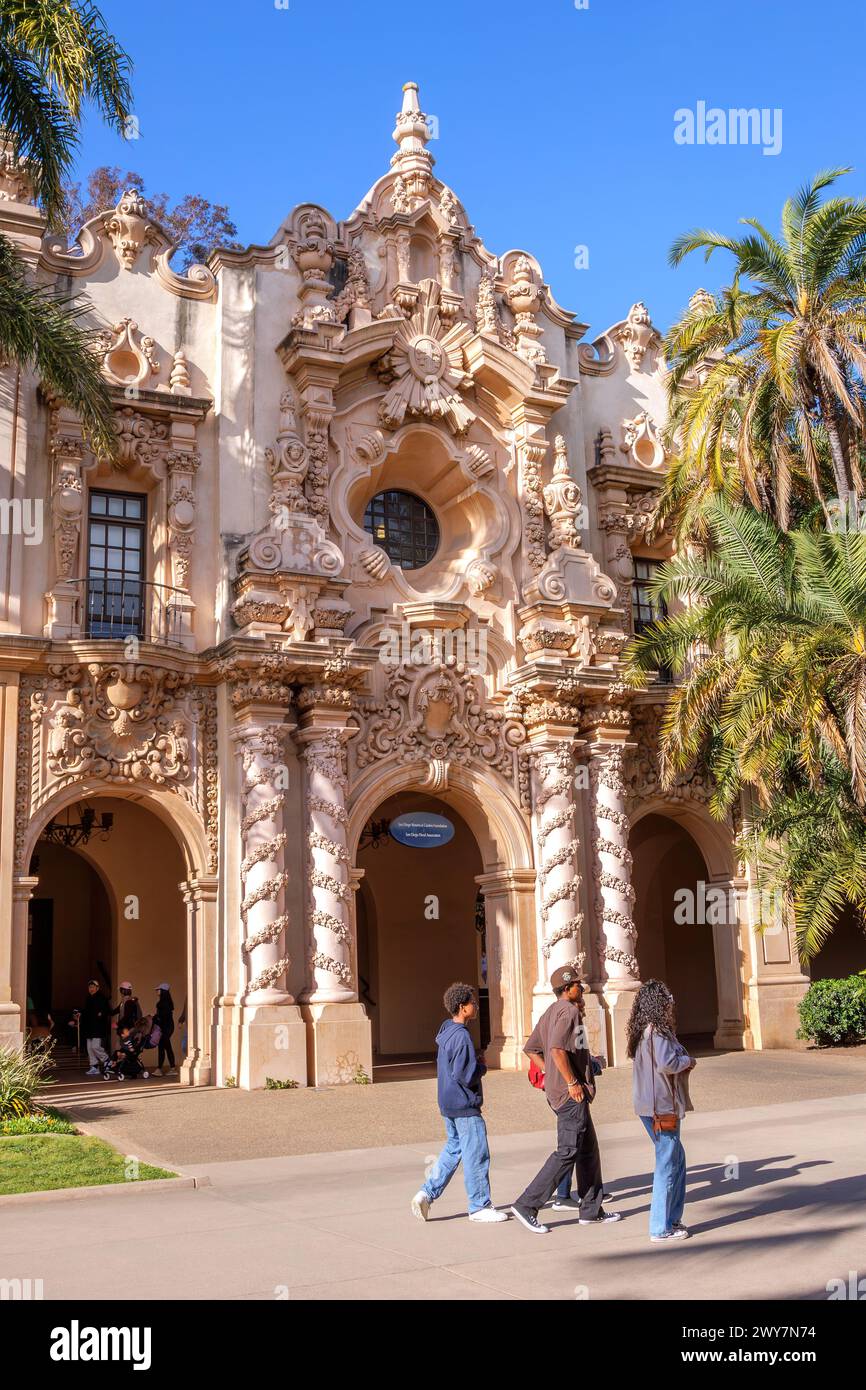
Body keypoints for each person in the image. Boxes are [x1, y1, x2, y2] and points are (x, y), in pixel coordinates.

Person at [511, 966, 622, 1234]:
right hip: (571, 1094)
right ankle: (527, 1204)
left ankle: (591, 1210)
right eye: (578, 985)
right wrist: (570, 1081)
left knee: (588, 1150)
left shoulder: (551, 1011)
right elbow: (556, 1049)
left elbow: (532, 1049)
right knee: (568, 1150)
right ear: (568, 987)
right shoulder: (568, 1011)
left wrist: (551, 1072)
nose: (582, 989)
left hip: (563, 1091)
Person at [411, 982, 508, 1224]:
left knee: (453, 1149)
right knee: (476, 1154)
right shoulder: (463, 1037)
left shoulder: (446, 1030)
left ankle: (426, 1192)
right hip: (465, 1105)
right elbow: (465, 1074)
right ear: (463, 1007)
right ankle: (479, 1205)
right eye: (472, 1003)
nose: (476, 1006)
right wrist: (482, 1066)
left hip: (447, 1103)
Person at [627, 979, 696, 1244]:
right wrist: (688, 1061)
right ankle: (660, 1226)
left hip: (648, 1105)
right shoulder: (658, 1032)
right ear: (658, 1002)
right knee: (668, 1163)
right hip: (662, 1106)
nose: (671, 1003)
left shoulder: (641, 1031)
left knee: (676, 1159)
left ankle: (672, 1218)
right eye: (668, 998)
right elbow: (669, 1063)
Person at [73, 979, 111, 1075]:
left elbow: (107, 1010)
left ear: (97, 988)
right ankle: (94, 1067)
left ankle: (106, 1059)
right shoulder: (88, 998)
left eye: (93, 987)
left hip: (98, 1027)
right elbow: (86, 1011)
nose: (91, 989)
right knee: (89, 1048)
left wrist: (101, 1014)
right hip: (89, 1027)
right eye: (90, 987)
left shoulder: (102, 998)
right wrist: (80, 1013)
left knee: (95, 1046)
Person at [154, 984, 177, 1076]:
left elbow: (163, 1016)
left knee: (162, 1047)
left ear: (162, 991)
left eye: (158, 989)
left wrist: (155, 1018)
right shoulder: (166, 1002)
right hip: (167, 1027)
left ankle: (159, 1069)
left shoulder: (164, 1003)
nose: (157, 991)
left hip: (166, 1028)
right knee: (167, 1047)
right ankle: (172, 1068)